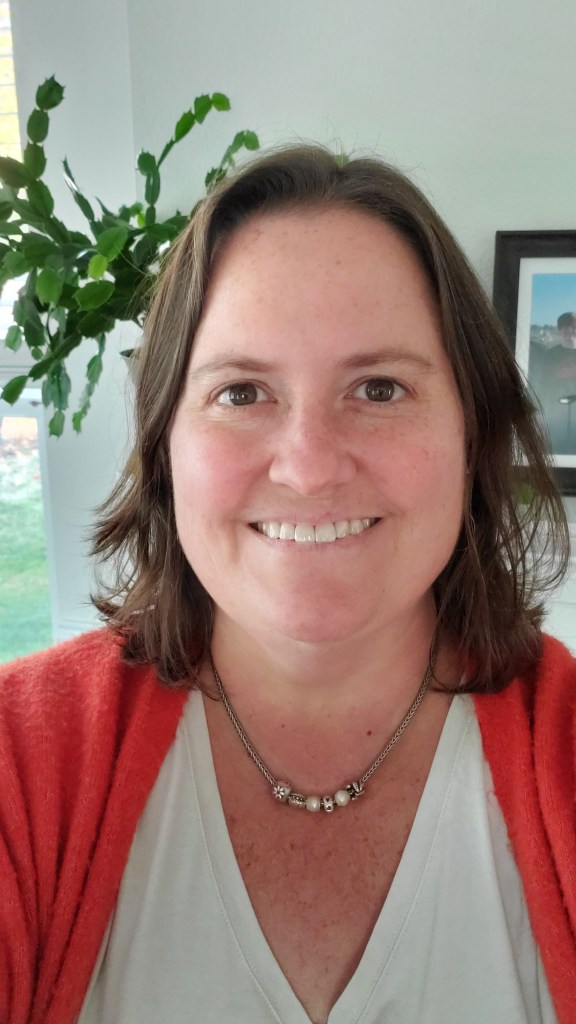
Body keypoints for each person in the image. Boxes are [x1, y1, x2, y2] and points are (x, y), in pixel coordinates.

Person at [0, 145, 574, 1024]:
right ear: (164, 443)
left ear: (473, 430)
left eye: (379, 388)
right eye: (242, 392)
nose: (308, 469)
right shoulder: (20, 763)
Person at [529, 310, 576, 454]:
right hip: (556, 410)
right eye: (565, 329)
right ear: (560, 331)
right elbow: (543, 383)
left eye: (572, 328)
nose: (569, 333)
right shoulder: (550, 354)